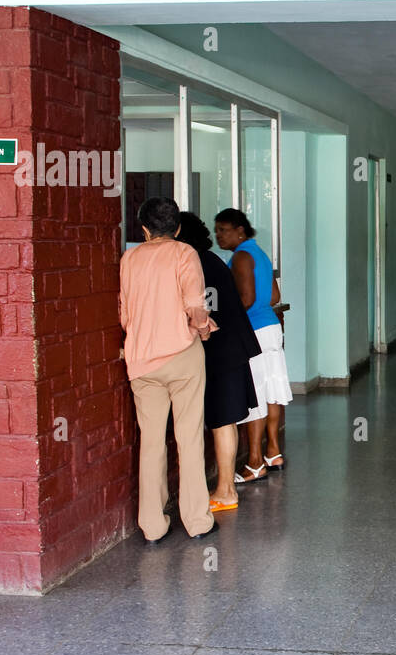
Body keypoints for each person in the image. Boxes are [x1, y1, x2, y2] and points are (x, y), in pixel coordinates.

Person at [118, 197, 219, 542]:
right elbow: (195, 304)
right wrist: (204, 329)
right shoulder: (184, 253)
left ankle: (153, 526)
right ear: (177, 228)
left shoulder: (129, 258)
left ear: (144, 229)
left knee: (151, 442)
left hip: (142, 360)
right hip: (181, 355)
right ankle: (196, 521)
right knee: (189, 438)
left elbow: (125, 313)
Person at [176, 212, 263, 512]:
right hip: (231, 347)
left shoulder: (194, 264)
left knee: (222, 419)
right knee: (223, 419)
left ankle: (226, 490)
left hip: (221, 350)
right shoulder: (210, 260)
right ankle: (224, 488)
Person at [213, 209, 292, 483]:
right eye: (216, 230)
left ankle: (255, 463)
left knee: (256, 396)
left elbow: (244, 300)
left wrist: (222, 319)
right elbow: (274, 296)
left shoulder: (241, 257)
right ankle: (273, 452)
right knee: (271, 391)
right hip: (270, 327)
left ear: (240, 231)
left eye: (223, 230)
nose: (218, 236)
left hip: (253, 331)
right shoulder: (259, 252)